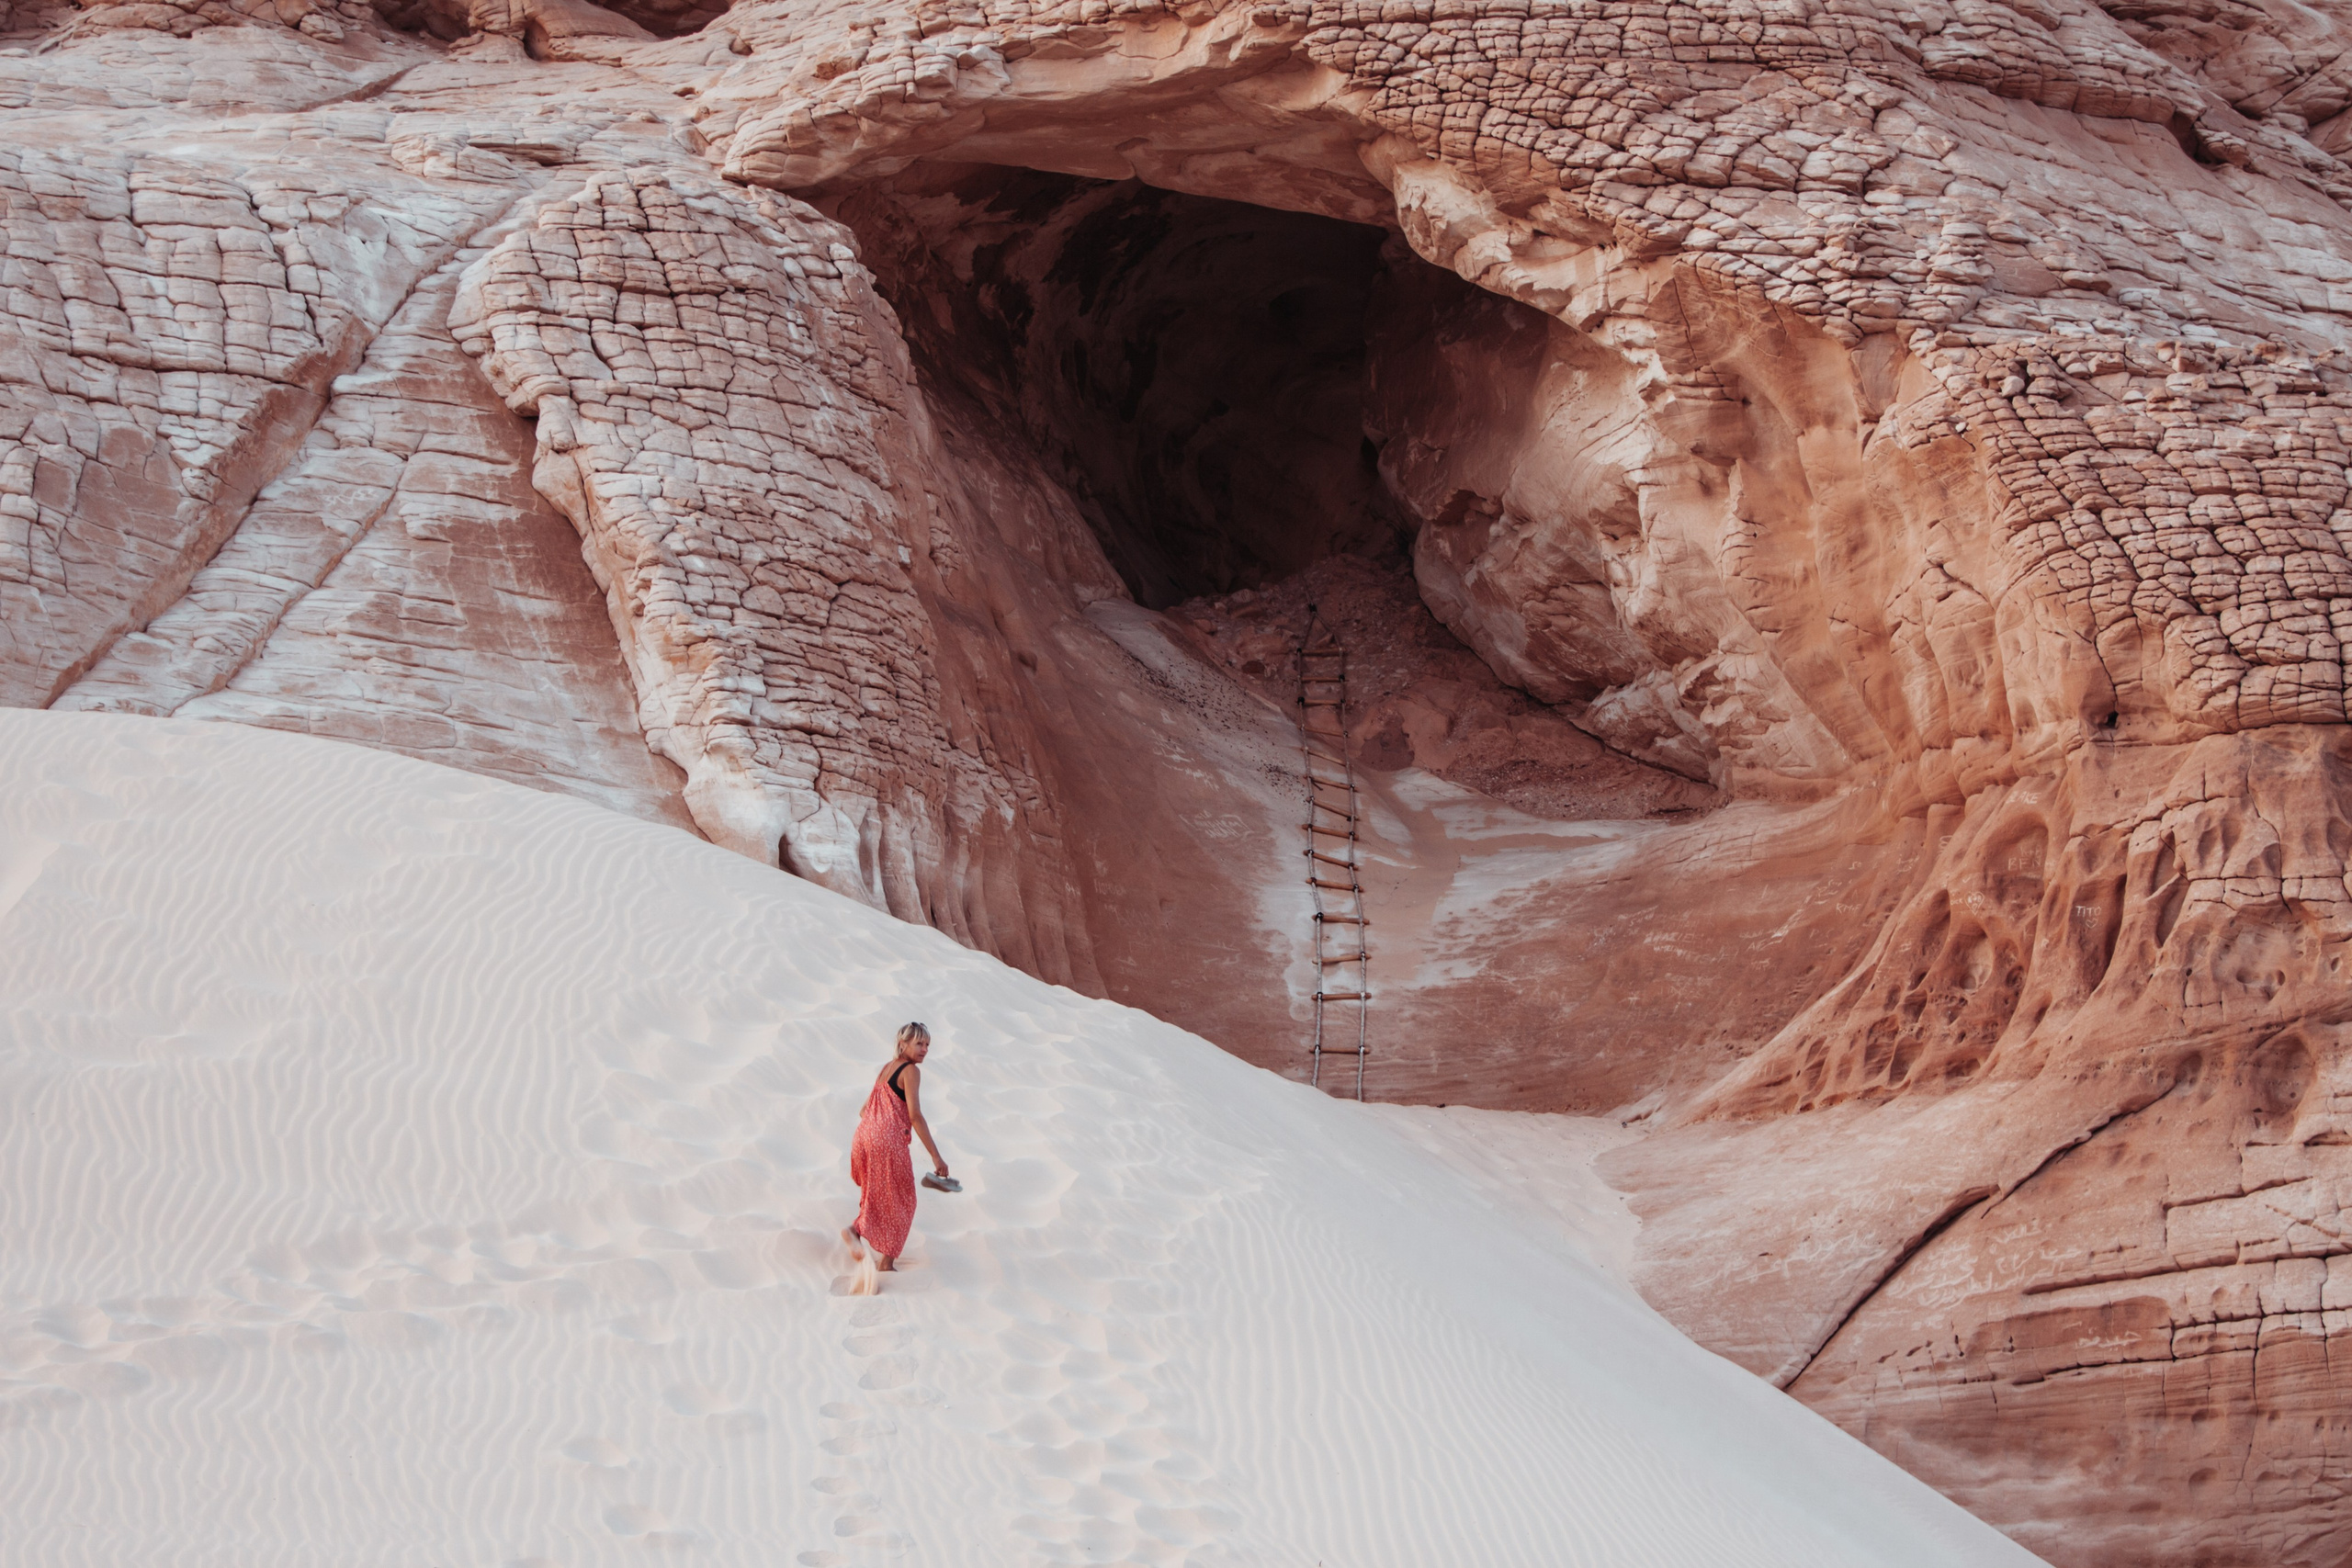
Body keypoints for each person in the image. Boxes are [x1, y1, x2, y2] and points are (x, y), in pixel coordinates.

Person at [842, 1021, 949, 1277]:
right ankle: (885, 1264)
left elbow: (864, 1110)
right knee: (904, 1200)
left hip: (864, 1137)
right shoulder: (910, 1071)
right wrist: (937, 1157)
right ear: (903, 1044)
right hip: (887, 1141)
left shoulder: (886, 1069)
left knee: (877, 1195)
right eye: (919, 1043)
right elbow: (915, 1116)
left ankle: (854, 1232)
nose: (924, 1050)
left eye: (927, 1045)